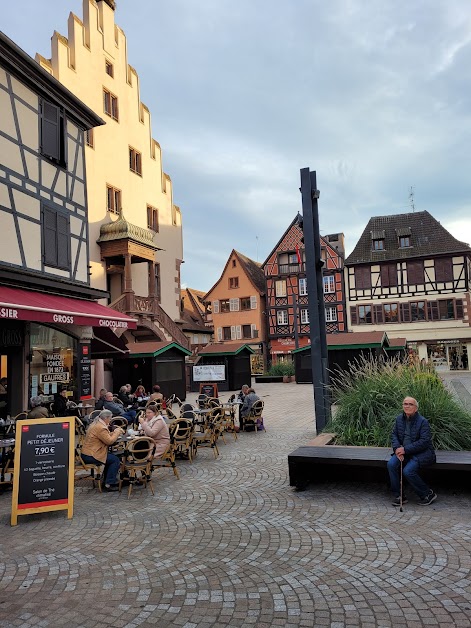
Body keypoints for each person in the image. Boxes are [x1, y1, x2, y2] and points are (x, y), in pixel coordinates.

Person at [387, 396, 437, 507]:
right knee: (391, 464)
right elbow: (394, 435)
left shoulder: (423, 421)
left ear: (416, 408)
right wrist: (397, 449)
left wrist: (405, 450)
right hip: (403, 451)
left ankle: (428, 494)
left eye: (410, 404)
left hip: (422, 453)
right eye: (405, 404)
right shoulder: (399, 419)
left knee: (408, 471)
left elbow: (424, 442)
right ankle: (399, 496)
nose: (407, 406)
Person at [81, 409, 125, 491]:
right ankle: (109, 484)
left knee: (112, 457)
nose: (110, 420)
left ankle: (107, 480)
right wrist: (117, 432)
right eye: (110, 418)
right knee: (115, 460)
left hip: (87, 453)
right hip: (92, 455)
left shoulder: (96, 423)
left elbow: (105, 437)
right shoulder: (101, 427)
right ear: (106, 418)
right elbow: (109, 441)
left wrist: (113, 433)